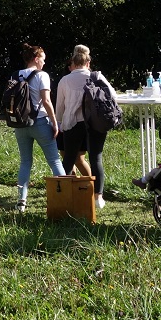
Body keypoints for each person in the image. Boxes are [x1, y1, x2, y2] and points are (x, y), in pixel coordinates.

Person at [54, 44, 110, 210]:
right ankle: (98, 197)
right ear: (88, 62)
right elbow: (112, 96)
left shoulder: (65, 80)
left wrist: (59, 123)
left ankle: (63, 194)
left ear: (73, 61)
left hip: (73, 123)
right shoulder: (97, 76)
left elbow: (60, 107)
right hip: (96, 124)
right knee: (96, 159)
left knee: (69, 159)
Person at [13, 44, 64, 212]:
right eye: (43, 59)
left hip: (20, 124)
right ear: (36, 59)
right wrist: (55, 122)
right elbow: (47, 101)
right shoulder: (42, 75)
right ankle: (65, 197)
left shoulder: (16, 75)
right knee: (54, 160)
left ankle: (21, 200)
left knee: (25, 162)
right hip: (40, 122)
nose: (44, 63)